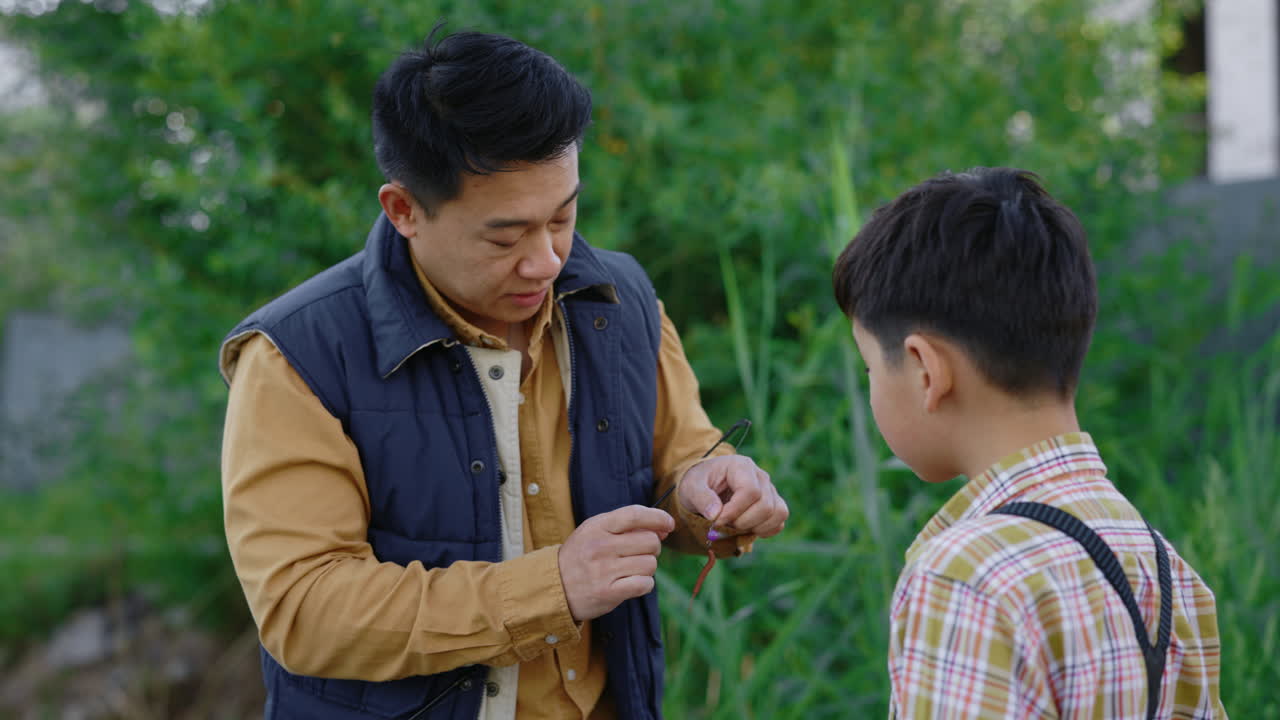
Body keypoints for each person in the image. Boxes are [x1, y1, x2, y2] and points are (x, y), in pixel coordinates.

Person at [218, 29, 788, 720]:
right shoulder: (296, 354)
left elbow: (683, 452)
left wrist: (713, 493)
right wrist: (552, 589)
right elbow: (304, 610)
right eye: (505, 236)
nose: (546, 260)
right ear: (403, 211)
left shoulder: (623, 297)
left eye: (564, 216)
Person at [831, 168, 1226, 719]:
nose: (872, 385)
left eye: (869, 365)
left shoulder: (966, 575)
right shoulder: (1163, 564)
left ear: (925, 370)